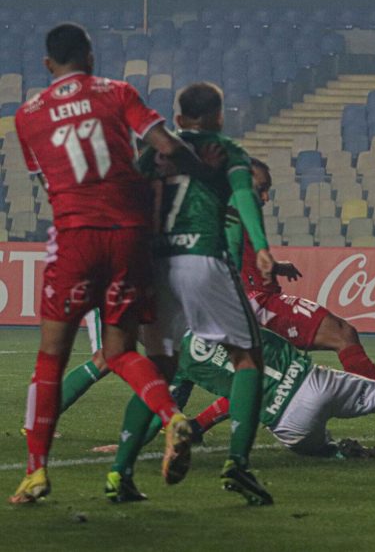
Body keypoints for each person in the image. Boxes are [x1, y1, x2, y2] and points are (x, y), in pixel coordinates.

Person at [10, 23, 200, 504]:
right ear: (90, 57)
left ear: (48, 64)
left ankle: (36, 474)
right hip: (131, 237)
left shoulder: (28, 115)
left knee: (51, 356)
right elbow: (168, 147)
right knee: (120, 350)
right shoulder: (118, 92)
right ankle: (172, 416)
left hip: (76, 237)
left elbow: (47, 177)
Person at [102, 327, 375, 503]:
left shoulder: (174, 361)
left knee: (316, 450)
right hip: (311, 380)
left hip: (284, 421)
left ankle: (351, 454)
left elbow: (162, 408)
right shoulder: (225, 314)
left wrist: (133, 442)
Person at [111, 81, 277, 505]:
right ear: (220, 116)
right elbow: (244, 198)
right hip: (203, 258)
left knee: (159, 369)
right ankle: (238, 464)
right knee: (247, 358)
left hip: (154, 264)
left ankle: (120, 472)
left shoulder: (153, 151)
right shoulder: (228, 151)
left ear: (179, 118)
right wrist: (261, 249)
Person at [228, 160, 375, 438]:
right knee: (342, 333)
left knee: (258, 373)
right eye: (262, 189)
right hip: (257, 303)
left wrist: (274, 267)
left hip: (253, 300)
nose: (266, 198)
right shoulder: (230, 212)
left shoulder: (229, 211)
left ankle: (187, 422)